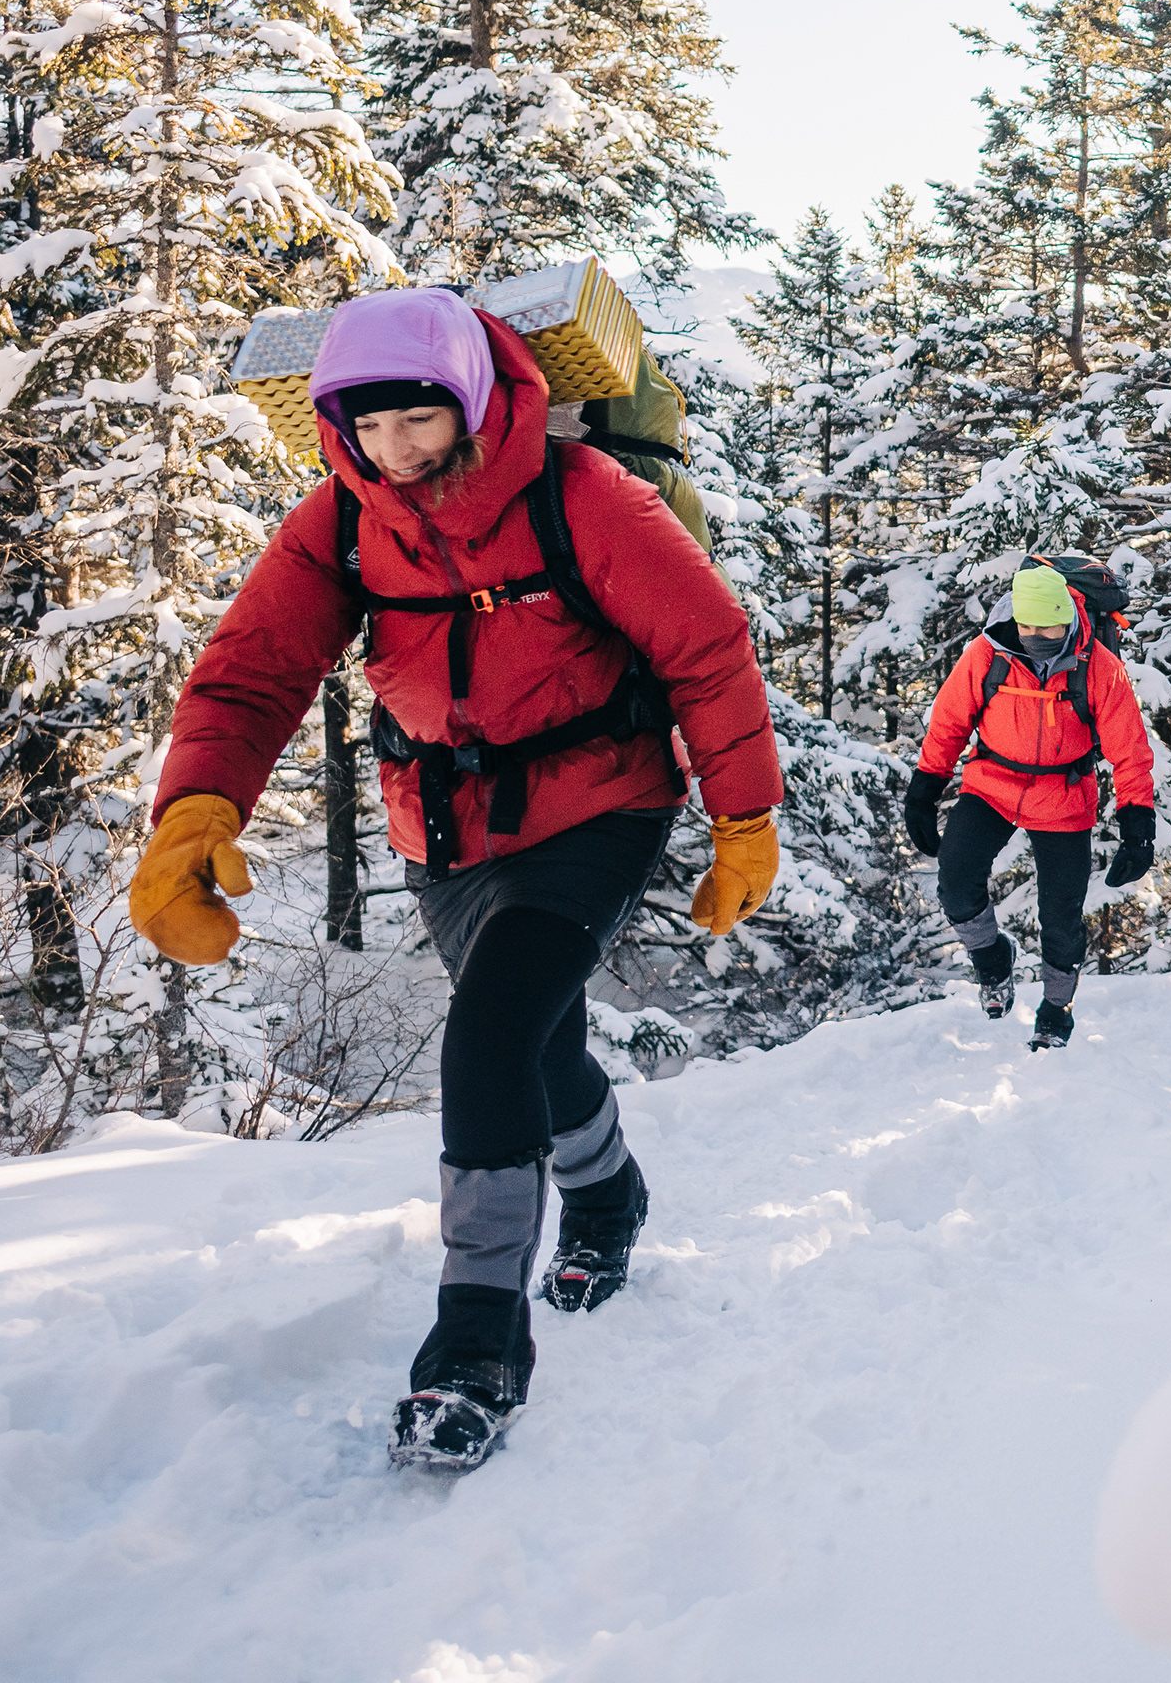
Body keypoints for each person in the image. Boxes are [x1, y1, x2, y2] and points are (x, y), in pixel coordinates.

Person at [125, 285, 785, 1473]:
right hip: (444, 827)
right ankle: (608, 1194)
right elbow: (253, 667)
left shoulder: (585, 495)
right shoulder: (344, 519)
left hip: (600, 804)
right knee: (534, 1039)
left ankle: (475, 1343)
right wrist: (196, 812)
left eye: (417, 418)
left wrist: (743, 817)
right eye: (368, 425)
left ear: (471, 399)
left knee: (488, 1035)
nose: (395, 448)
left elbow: (705, 644)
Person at [903, 558, 1157, 1051]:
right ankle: (993, 961)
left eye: (1048, 627)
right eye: (1028, 626)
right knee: (955, 881)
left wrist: (1137, 826)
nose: (1037, 636)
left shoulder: (1099, 667)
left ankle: (1056, 1009)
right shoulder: (988, 653)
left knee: (1061, 917)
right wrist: (923, 792)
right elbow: (949, 723)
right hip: (991, 785)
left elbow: (1129, 750)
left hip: (1063, 795)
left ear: (1067, 618)